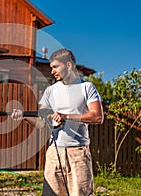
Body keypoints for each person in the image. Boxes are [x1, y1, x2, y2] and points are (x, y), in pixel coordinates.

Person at [11, 48, 104, 196]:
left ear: (68, 65)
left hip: (78, 152)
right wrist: (24, 116)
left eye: (55, 67)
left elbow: (97, 117)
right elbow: (42, 123)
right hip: (54, 152)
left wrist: (66, 116)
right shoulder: (50, 91)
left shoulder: (87, 87)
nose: (52, 71)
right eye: (51, 68)